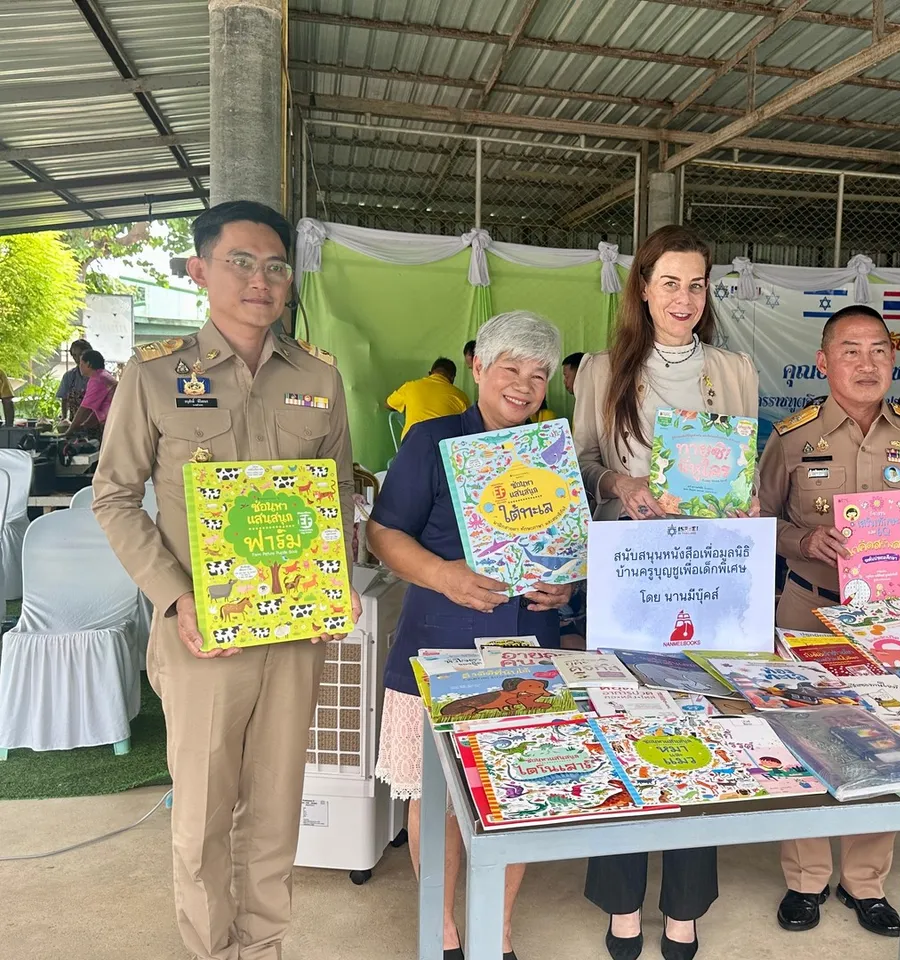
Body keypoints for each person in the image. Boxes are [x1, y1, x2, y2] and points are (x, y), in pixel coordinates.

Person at [93, 200, 359, 960]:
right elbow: (113, 498)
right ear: (200, 270)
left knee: (277, 808)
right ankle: (211, 951)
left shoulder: (318, 377)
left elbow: (335, 495)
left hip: (296, 628)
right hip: (200, 630)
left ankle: (264, 946)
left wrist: (329, 587)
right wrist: (175, 597)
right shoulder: (153, 376)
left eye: (276, 266)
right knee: (204, 812)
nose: (261, 280)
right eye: (241, 261)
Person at [573, 224, 758, 960]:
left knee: (700, 732)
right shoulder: (598, 370)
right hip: (628, 573)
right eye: (670, 282)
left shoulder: (735, 369)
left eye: (697, 283)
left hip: (710, 574)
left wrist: (740, 501)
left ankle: (684, 908)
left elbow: (744, 462)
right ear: (643, 287)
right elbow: (582, 464)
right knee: (622, 729)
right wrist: (622, 483)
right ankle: (621, 905)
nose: (684, 298)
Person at [367, 311, 573, 960]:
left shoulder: (550, 450)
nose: (524, 384)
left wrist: (565, 586)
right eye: (510, 367)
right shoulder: (429, 440)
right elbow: (382, 533)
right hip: (438, 644)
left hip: (526, 650)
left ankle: (498, 929)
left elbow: (568, 553)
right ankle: (443, 929)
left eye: (538, 374)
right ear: (478, 369)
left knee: (518, 798)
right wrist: (442, 575)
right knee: (438, 801)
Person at [758, 305, 900, 940]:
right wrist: (801, 539)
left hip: (892, 616)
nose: (866, 363)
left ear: (893, 359)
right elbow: (757, 519)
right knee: (807, 735)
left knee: (891, 738)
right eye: (850, 351)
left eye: (878, 350)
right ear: (823, 362)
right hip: (809, 607)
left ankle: (865, 880)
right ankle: (806, 877)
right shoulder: (792, 436)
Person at [386, 357, 469, 438]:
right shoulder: (461, 396)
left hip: (411, 446)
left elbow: (388, 404)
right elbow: (468, 425)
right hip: (443, 448)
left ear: (430, 374)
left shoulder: (410, 387)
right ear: (452, 378)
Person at [66, 350, 116, 436]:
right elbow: (96, 409)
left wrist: (69, 431)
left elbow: (85, 408)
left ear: (88, 364)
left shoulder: (97, 379)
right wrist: (85, 425)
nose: (79, 367)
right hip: (114, 420)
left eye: (81, 364)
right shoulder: (104, 375)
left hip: (115, 423)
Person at [57, 338, 93, 419]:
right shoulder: (69, 376)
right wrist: (64, 419)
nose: (77, 358)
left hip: (95, 424)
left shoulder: (99, 377)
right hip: (74, 423)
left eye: (81, 354)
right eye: (74, 355)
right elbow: (64, 400)